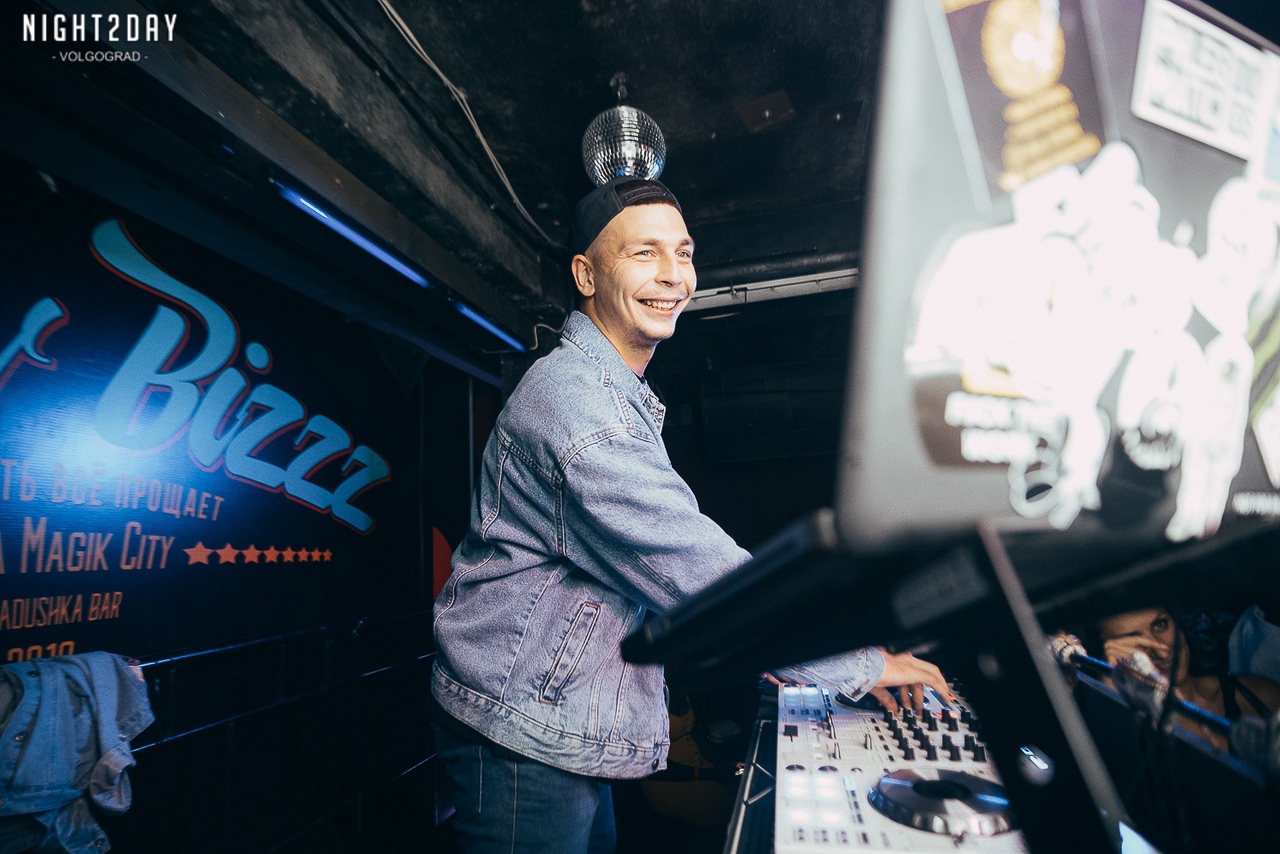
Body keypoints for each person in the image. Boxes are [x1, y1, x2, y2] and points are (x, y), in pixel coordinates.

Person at [429, 176, 949, 853]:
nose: (673, 275)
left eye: (684, 252)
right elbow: (702, 578)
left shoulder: (612, 395)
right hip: (518, 732)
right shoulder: (581, 411)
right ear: (586, 275)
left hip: (553, 721)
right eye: (643, 253)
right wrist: (863, 664)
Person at [1091, 605, 1280, 751]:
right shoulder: (1120, 733)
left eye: (1160, 625)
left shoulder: (1259, 696)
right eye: (1134, 642)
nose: (1162, 652)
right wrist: (1109, 691)